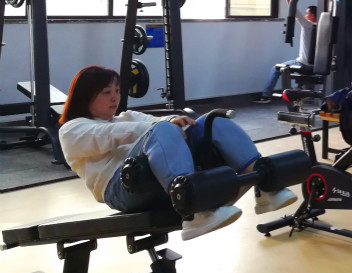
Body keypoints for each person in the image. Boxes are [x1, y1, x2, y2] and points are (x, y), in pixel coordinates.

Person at [58, 65, 297, 241]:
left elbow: (157, 120)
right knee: (162, 128)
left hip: (154, 181)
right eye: (106, 92)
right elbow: (110, 135)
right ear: (85, 96)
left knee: (212, 121)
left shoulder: (126, 116)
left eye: (117, 90)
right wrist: (164, 125)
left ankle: (265, 186)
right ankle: (194, 213)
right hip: (121, 190)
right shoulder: (72, 129)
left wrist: (175, 120)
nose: (115, 97)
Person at [253, 0, 317, 103]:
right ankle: (301, 93)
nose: (305, 16)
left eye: (307, 14)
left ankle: (266, 96)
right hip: (317, 66)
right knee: (298, 72)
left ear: (312, 16)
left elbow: (294, 9)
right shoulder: (323, 28)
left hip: (303, 64)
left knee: (276, 68)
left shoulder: (307, 25)